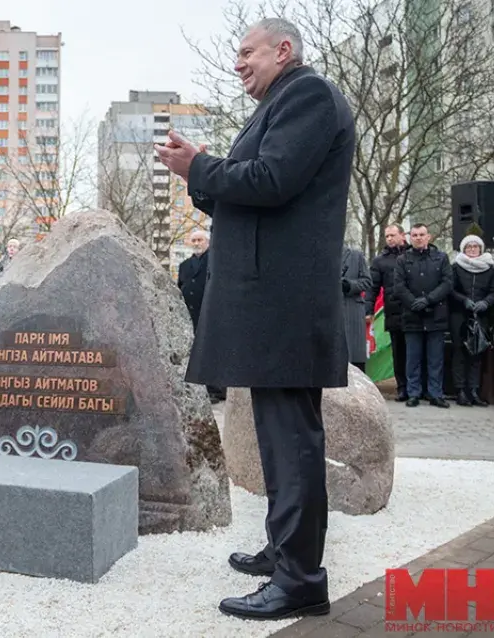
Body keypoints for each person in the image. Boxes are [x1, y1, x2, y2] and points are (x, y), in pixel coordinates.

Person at [155, 17, 354, 620]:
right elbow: (243, 188)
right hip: (273, 304)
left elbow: (271, 180)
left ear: (283, 49)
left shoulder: (308, 95)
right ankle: (285, 551)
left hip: (285, 304)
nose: (238, 63)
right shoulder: (281, 103)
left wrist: (204, 167)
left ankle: (300, 579)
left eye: (247, 53)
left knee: (291, 441)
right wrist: (200, 173)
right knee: (278, 438)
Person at [393, 223, 452, 409]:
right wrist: (414, 303)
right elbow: (399, 287)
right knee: (413, 358)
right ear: (410, 238)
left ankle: (435, 394)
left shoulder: (441, 258)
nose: (418, 238)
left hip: (436, 315)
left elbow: (447, 283)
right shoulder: (402, 260)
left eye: (422, 234)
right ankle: (414, 393)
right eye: (415, 235)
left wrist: (428, 300)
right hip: (412, 316)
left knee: (435, 359)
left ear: (429, 237)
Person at [449, 235, 494, 407]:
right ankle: (461, 390)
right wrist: (464, 300)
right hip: (459, 314)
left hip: (481, 315)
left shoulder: (490, 269)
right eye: (468, 246)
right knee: (459, 352)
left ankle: (474, 390)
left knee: (477, 354)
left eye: (475, 246)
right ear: (463, 249)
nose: (472, 249)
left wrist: (486, 302)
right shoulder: (456, 267)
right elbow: (451, 289)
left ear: (480, 249)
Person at [177, 229, 224, 402]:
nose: (197, 243)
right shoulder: (184, 265)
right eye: (194, 240)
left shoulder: (216, 261)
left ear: (208, 242)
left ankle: (215, 389)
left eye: (200, 240)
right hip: (190, 313)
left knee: (211, 350)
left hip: (210, 312)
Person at [366, 225, 413, 400]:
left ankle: (417, 386)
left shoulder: (413, 255)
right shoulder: (380, 261)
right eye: (387, 236)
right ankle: (402, 387)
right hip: (394, 311)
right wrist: (368, 309)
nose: (390, 239)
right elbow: (372, 287)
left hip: (414, 310)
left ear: (402, 235)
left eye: (393, 235)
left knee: (415, 351)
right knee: (398, 351)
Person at [341, 246, 372, 372]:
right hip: (329, 312)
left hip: (351, 311)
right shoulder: (320, 255)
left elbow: (367, 281)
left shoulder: (356, 255)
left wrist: (349, 285)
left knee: (354, 356)